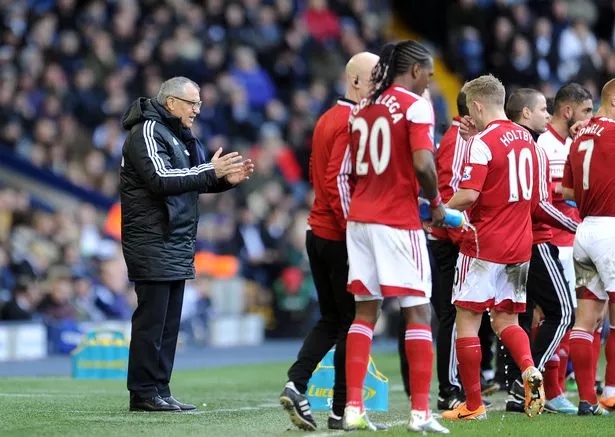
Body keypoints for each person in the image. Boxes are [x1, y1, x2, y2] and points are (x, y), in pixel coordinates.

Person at [120, 76, 253, 412]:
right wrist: (210, 170)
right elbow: (160, 179)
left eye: (199, 103)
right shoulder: (147, 131)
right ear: (171, 103)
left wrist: (222, 181)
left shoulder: (179, 135)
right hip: (152, 239)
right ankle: (143, 392)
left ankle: (160, 390)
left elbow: (189, 180)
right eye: (193, 102)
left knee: (168, 323)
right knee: (153, 321)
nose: (197, 109)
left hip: (175, 240)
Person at [342, 40, 449, 434]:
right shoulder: (416, 105)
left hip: (360, 219)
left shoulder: (362, 108)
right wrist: (436, 203)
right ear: (416, 70)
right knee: (418, 310)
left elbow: (353, 169)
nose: (430, 84)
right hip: (397, 220)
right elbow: (423, 162)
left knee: (365, 313)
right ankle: (420, 413)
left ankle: (354, 408)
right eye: (430, 76)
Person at [279, 51, 380, 432]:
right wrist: (355, 230)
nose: (380, 86)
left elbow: (313, 172)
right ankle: (341, 411)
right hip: (340, 236)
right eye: (375, 78)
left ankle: (296, 383)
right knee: (352, 323)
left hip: (317, 231)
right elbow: (338, 179)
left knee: (333, 319)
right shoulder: (354, 121)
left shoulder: (326, 118)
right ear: (355, 81)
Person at [440, 74, 545, 421]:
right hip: (520, 244)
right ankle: (529, 369)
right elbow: (535, 198)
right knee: (507, 319)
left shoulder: (482, 142)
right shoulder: (529, 139)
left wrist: (442, 212)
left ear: (478, 105)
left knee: (466, 320)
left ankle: (472, 405)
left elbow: (470, 193)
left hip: (484, 244)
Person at [502, 88, 579, 414]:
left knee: (504, 317)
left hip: (508, 242)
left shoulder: (507, 143)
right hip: (536, 241)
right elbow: (540, 203)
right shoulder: (532, 147)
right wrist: (576, 225)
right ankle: (525, 383)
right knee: (563, 313)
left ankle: (506, 390)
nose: (547, 115)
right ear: (525, 114)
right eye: (543, 109)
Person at [562, 78, 615, 416]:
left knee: (585, 321)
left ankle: (586, 399)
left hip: (585, 230)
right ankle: (610, 391)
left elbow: (568, 191)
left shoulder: (580, 135)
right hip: (611, 229)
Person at [536, 83, 593, 393]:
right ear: (568, 111)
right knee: (559, 315)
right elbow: (543, 198)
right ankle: (551, 388)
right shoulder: (545, 145)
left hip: (573, 239)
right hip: (556, 241)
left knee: (573, 317)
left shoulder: (572, 144)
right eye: (585, 111)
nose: (589, 118)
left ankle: (555, 387)